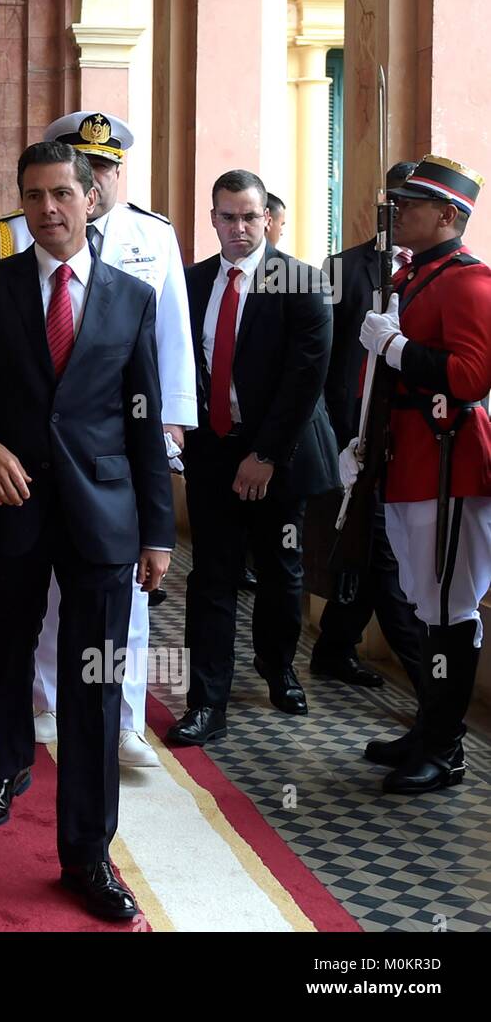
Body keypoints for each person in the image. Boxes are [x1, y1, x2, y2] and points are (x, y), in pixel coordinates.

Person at [0, 141, 174, 920]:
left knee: (95, 680)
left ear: (90, 198)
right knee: (5, 651)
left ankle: (88, 854)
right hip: (10, 510)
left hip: (103, 518)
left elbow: (143, 427)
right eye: (33, 195)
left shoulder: (132, 297)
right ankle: (5, 770)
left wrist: (158, 534)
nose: (48, 208)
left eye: (62, 194)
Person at [0, 111, 196, 765]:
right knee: (39, 588)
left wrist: (171, 424)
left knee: (122, 593)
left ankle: (124, 719)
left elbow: (173, 337)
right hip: (34, 454)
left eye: (105, 167)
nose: (94, 179)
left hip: (116, 449)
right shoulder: (12, 235)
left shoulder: (151, 238)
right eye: (84, 165)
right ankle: (44, 701)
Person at [167, 170, 337, 747]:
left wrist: (264, 454)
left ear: (266, 217)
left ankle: (278, 669)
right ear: (212, 218)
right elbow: (178, 359)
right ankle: (206, 702)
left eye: (248, 216)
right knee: (210, 575)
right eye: (226, 216)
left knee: (280, 569)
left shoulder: (303, 283)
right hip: (214, 449)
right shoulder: (191, 283)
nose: (238, 228)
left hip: (279, 453)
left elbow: (305, 379)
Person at [344, 155, 491, 793]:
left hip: (448, 466)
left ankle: (446, 747)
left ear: (448, 216)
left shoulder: (467, 281)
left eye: (411, 204)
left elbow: (470, 377)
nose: (398, 212)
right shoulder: (412, 275)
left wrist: (398, 348)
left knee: (450, 608)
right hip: (406, 461)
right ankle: (428, 727)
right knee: (424, 605)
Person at [312, 162, 425, 693]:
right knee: (372, 545)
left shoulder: (437, 273)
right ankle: (430, 682)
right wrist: (335, 435)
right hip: (350, 434)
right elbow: (322, 358)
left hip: (411, 437)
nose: (400, 213)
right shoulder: (343, 267)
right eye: (395, 204)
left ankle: (335, 646)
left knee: (373, 548)